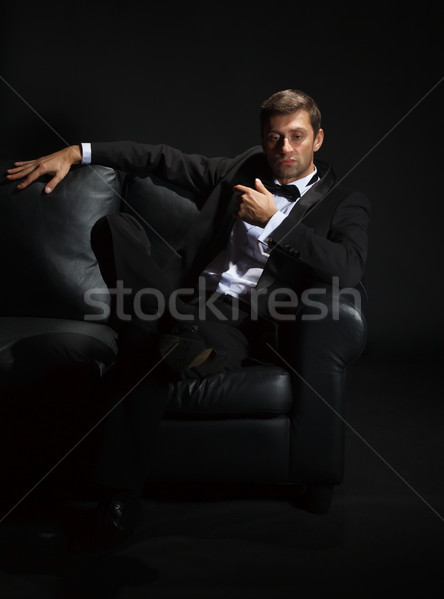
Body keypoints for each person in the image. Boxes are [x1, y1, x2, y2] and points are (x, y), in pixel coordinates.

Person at [6, 89, 370, 551]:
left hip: (239, 322)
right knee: (114, 229)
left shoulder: (344, 200)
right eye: (274, 138)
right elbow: (160, 159)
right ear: (263, 139)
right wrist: (77, 152)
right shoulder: (238, 171)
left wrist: (276, 221)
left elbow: (349, 267)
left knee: (156, 349)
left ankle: (119, 497)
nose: (285, 148)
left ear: (317, 139)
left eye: (297, 136)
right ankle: (159, 329)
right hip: (182, 299)